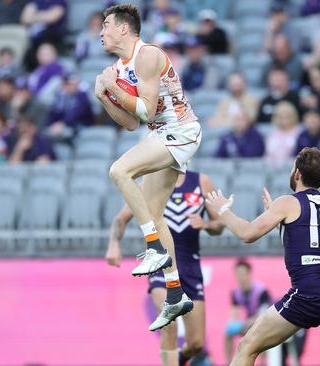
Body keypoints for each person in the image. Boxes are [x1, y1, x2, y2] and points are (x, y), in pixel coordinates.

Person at [205, 147, 320, 366]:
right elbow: (307, 240)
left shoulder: (288, 202)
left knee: (247, 347)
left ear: (297, 174)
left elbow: (247, 234)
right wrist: (278, 218)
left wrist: (223, 210)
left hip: (308, 293)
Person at [96, 4, 202, 331]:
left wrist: (112, 88)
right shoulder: (119, 66)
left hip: (181, 131)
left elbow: (144, 110)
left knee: (119, 171)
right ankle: (175, 293)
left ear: (124, 29)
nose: (101, 31)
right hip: (163, 135)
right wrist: (104, 97)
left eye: (106, 25)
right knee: (156, 215)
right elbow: (129, 124)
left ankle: (153, 246)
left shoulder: (148, 55)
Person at [106, 170, 224, 366]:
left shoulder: (201, 181)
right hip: (161, 264)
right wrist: (113, 243)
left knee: (196, 342)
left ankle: (177, 359)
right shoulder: (149, 185)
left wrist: (206, 225)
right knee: (168, 322)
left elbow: (219, 225)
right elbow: (120, 219)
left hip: (191, 267)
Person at [225, 259, 272, 364]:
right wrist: (233, 326)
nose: (240, 277)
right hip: (249, 324)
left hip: (266, 322)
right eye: (237, 274)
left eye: (242, 274)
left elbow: (263, 315)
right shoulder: (236, 292)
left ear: (249, 274)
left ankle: (263, 363)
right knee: (228, 332)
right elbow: (233, 315)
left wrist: (247, 323)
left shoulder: (262, 291)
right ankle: (228, 362)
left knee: (261, 332)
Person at [20, 0, 67, 71]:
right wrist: (43, 15)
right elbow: (25, 19)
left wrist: (34, 16)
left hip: (52, 36)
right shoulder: (36, 1)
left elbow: (52, 18)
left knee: (43, 43)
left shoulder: (59, 1)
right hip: (34, 38)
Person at [46, 72, 94, 137]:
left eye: (70, 84)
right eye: (65, 84)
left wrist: (63, 123)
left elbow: (77, 112)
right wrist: (54, 124)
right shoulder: (60, 96)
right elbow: (54, 112)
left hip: (82, 125)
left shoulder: (82, 95)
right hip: (64, 126)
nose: (68, 87)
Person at [265, 101, 301, 167]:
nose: (283, 119)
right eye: (280, 116)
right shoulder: (272, 133)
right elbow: (267, 154)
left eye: (287, 116)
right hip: (273, 170)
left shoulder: (299, 133)